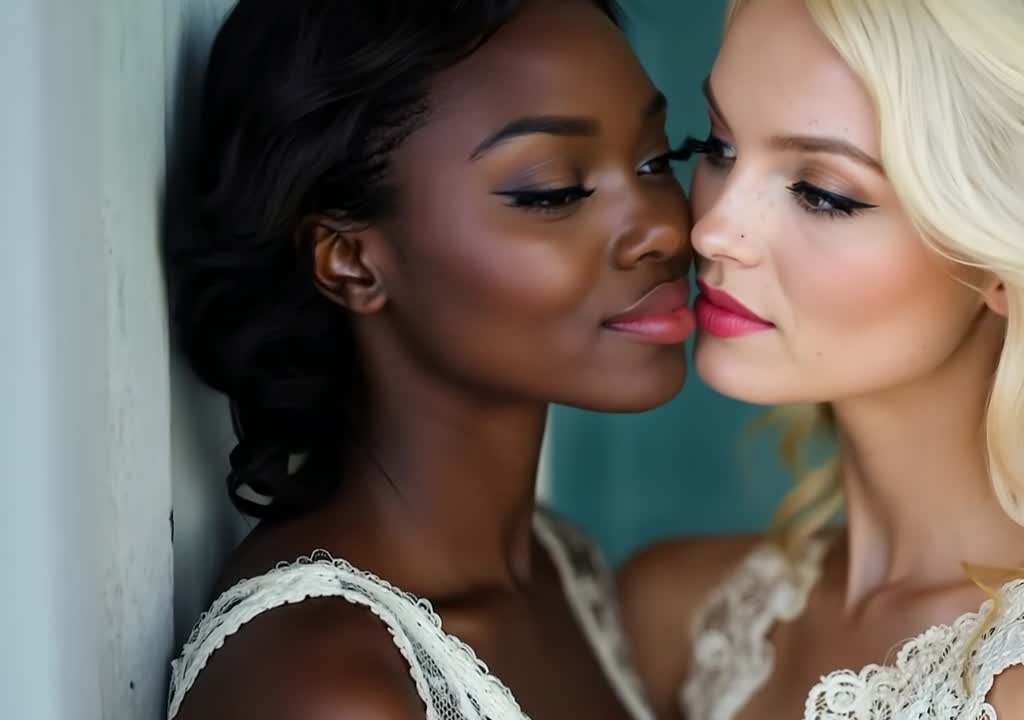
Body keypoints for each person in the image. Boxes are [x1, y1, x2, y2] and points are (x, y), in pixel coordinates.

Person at [620, 1, 1024, 719]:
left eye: (823, 193)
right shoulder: (674, 616)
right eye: (718, 147)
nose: (713, 228)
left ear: (1009, 256)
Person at [165, 1, 694, 718]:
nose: (663, 226)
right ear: (351, 260)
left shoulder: (562, 569)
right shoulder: (323, 685)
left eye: (656, 160)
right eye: (554, 191)